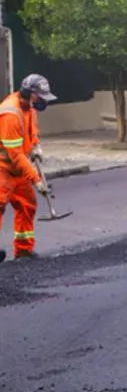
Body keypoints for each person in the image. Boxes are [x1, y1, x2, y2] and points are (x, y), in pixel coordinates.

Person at [0, 74, 56, 262]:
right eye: (40, 97)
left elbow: (32, 131)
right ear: (30, 94)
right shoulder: (10, 114)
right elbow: (15, 155)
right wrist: (36, 180)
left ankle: (23, 251)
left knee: (27, 205)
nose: (42, 101)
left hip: (18, 169)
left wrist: (36, 145)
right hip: (3, 168)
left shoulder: (29, 109)